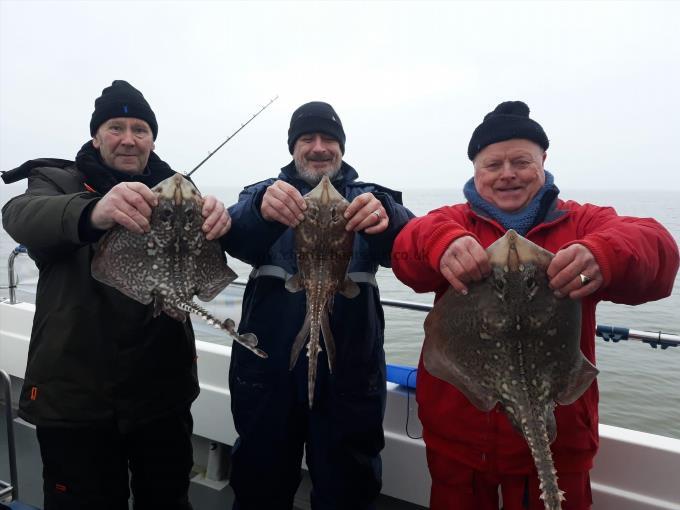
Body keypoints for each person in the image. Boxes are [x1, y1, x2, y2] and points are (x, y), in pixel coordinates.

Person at [391, 101, 679, 510]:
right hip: (460, 439)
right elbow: (408, 247)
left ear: (543, 162)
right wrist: (442, 244)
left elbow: (659, 249)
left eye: (520, 161)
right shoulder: (453, 222)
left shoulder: (582, 225)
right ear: (475, 170)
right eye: (493, 164)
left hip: (558, 435)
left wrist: (603, 255)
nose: (507, 173)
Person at [1, 80, 231, 510]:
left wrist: (221, 222)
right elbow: (20, 215)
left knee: (165, 500)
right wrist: (93, 211)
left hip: (161, 392)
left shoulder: (177, 190)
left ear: (152, 139)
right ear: (96, 135)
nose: (128, 138)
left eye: (139, 129)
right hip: (76, 394)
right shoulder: (57, 180)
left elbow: (208, 271)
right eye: (115, 127)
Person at [221, 101, 413, 510]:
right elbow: (234, 234)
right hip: (266, 372)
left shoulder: (369, 198)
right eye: (308, 138)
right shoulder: (264, 194)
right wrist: (260, 211)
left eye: (329, 139)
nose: (319, 147)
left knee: (348, 486)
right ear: (293, 147)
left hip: (351, 374)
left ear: (341, 148)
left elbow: (413, 243)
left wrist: (388, 219)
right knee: (260, 481)